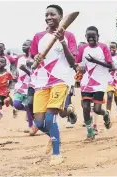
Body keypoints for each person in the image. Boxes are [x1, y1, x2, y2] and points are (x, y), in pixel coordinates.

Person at [30, 4, 77, 165]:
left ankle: (57, 154)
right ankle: (66, 112)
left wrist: (63, 41)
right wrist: (34, 59)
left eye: (53, 15)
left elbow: (72, 62)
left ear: (61, 17)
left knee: (50, 120)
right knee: (39, 123)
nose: (49, 17)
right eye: (47, 15)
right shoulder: (38, 36)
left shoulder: (69, 35)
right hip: (42, 81)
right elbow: (31, 59)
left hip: (61, 80)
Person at [75, 26, 113, 141]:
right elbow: (76, 64)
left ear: (98, 36)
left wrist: (95, 61)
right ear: (85, 37)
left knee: (97, 109)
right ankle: (90, 131)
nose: (91, 38)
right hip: (86, 81)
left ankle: (105, 114)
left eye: (93, 36)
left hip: (99, 81)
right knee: (85, 106)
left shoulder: (103, 47)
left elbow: (110, 65)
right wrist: (78, 67)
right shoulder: (82, 48)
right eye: (89, 36)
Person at [13, 40, 38, 135]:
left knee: (28, 105)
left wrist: (26, 69)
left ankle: (31, 125)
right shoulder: (19, 59)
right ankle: (31, 113)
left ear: (31, 46)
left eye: (26, 44)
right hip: (19, 86)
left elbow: (34, 75)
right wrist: (15, 77)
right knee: (16, 104)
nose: (23, 46)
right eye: (23, 44)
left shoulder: (34, 59)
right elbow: (18, 72)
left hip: (30, 85)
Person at [106, 41, 117, 122]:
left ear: (116, 48)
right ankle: (107, 113)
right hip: (109, 79)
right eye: (110, 48)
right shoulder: (106, 57)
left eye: (113, 48)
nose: (111, 49)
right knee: (109, 96)